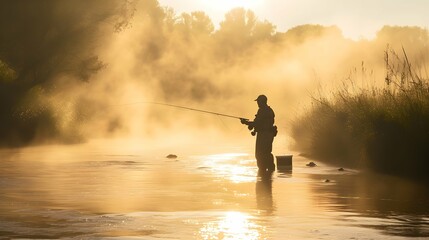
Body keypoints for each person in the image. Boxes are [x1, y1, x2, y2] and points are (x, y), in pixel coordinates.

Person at [241, 95, 277, 172]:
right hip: (269, 134)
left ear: (262, 102)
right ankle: (270, 171)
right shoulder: (270, 110)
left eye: (258, 101)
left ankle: (263, 172)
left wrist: (246, 122)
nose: (257, 103)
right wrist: (250, 124)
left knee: (259, 154)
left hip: (263, 135)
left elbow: (257, 123)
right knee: (267, 153)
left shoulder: (262, 111)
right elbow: (260, 123)